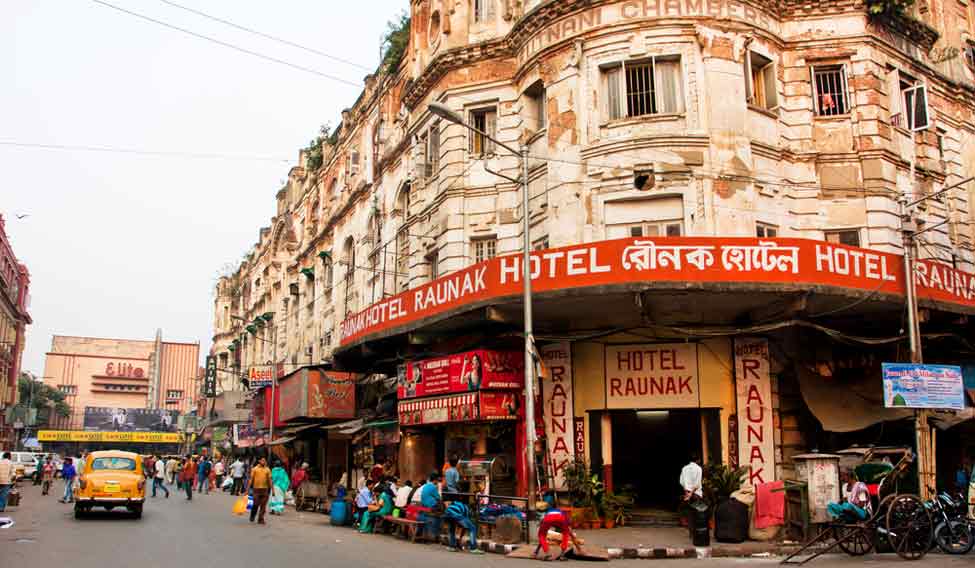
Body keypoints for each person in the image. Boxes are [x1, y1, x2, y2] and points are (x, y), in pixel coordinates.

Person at [419, 472, 443, 541]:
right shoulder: (433, 487)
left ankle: (435, 532)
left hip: (424, 505)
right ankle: (436, 533)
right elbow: (439, 498)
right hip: (431, 506)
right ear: (435, 480)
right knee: (441, 514)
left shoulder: (426, 485)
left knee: (439, 512)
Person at [249, 457, 271, 524]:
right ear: (259, 461)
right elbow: (251, 479)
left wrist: (272, 490)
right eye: (262, 460)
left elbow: (269, 480)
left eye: (265, 460)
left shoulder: (267, 469)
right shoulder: (254, 469)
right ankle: (252, 515)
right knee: (255, 504)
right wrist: (247, 490)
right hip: (256, 489)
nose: (264, 462)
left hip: (265, 490)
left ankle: (260, 519)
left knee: (263, 506)